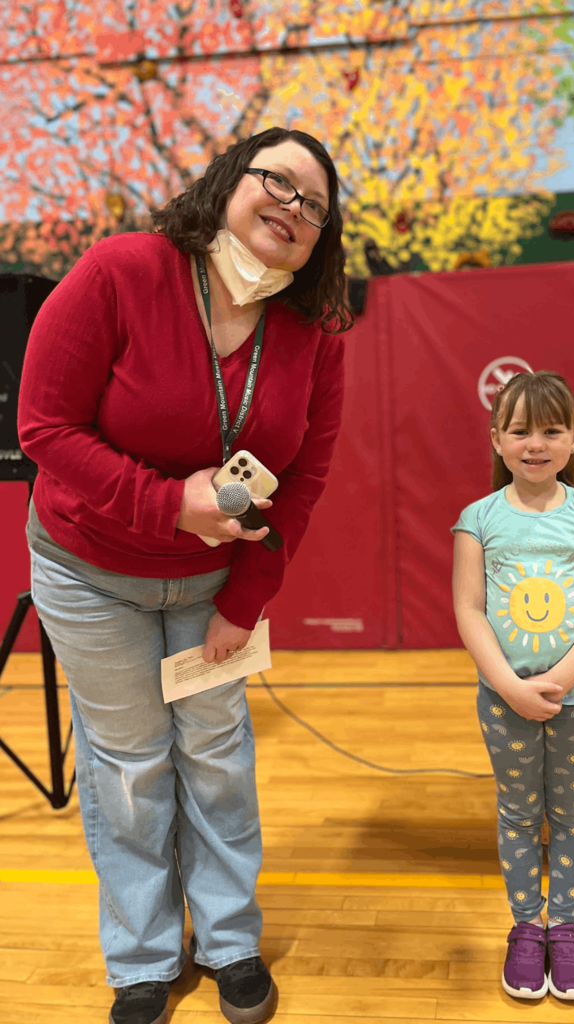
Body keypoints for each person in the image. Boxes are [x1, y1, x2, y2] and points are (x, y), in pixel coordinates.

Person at [18, 126, 351, 1024]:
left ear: (323, 238)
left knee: (214, 757)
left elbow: (306, 480)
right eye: (276, 183)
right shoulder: (123, 270)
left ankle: (232, 940)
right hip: (91, 572)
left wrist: (247, 599)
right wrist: (172, 503)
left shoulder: (314, 329)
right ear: (226, 184)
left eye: (314, 206)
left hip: (212, 587)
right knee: (128, 765)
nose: (291, 208)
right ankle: (142, 957)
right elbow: (44, 429)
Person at [451, 371, 574, 1002]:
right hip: (505, 705)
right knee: (519, 812)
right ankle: (527, 926)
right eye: (520, 429)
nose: (536, 442)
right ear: (497, 438)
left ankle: (565, 927)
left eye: (551, 429)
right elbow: (469, 610)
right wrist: (510, 686)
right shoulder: (477, 520)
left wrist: (559, 681)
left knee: (571, 812)